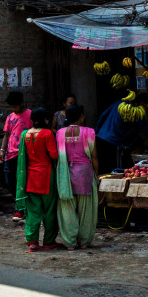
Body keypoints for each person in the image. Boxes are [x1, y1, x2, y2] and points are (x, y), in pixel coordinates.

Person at [95, 91, 148, 171]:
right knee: (113, 168)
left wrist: (96, 132)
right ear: (143, 103)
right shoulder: (136, 113)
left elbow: (102, 116)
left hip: (99, 137)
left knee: (102, 167)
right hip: (113, 142)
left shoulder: (119, 104)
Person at [15, 108, 59, 251]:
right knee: (50, 210)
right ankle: (48, 241)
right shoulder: (47, 134)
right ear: (46, 119)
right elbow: (54, 155)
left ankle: (32, 242)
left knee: (33, 211)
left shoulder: (24, 135)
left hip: (30, 178)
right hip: (47, 177)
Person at [56, 105, 98, 250]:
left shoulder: (60, 133)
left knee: (67, 209)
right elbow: (94, 157)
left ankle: (70, 243)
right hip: (85, 174)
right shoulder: (89, 132)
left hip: (65, 175)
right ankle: (84, 242)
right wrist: (97, 175)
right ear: (81, 116)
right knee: (86, 210)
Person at [0, 91, 32, 222]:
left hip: (24, 154)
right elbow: (6, 135)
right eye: (11, 107)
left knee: (23, 182)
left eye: (15, 106)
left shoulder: (30, 115)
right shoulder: (10, 117)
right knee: (9, 181)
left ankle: (21, 209)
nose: (13, 109)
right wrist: (2, 150)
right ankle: (20, 206)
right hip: (10, 154)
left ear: (22, 103)